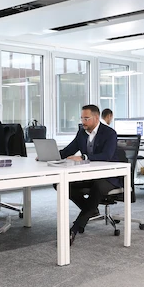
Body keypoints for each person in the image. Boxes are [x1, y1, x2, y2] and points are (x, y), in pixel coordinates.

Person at [59, 104, 120, 245]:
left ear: (96, 118)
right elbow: (69, 150)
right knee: (63, 184)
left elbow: (107, 155)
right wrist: (51, 156)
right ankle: (91, 209)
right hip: (90, 175)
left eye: (86, 118)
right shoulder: (82, 132)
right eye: (82, 118)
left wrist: (84, 157)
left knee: (97, 187)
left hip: (110, 176)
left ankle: (75, 228)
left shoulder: (109, 133)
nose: (83, 122)